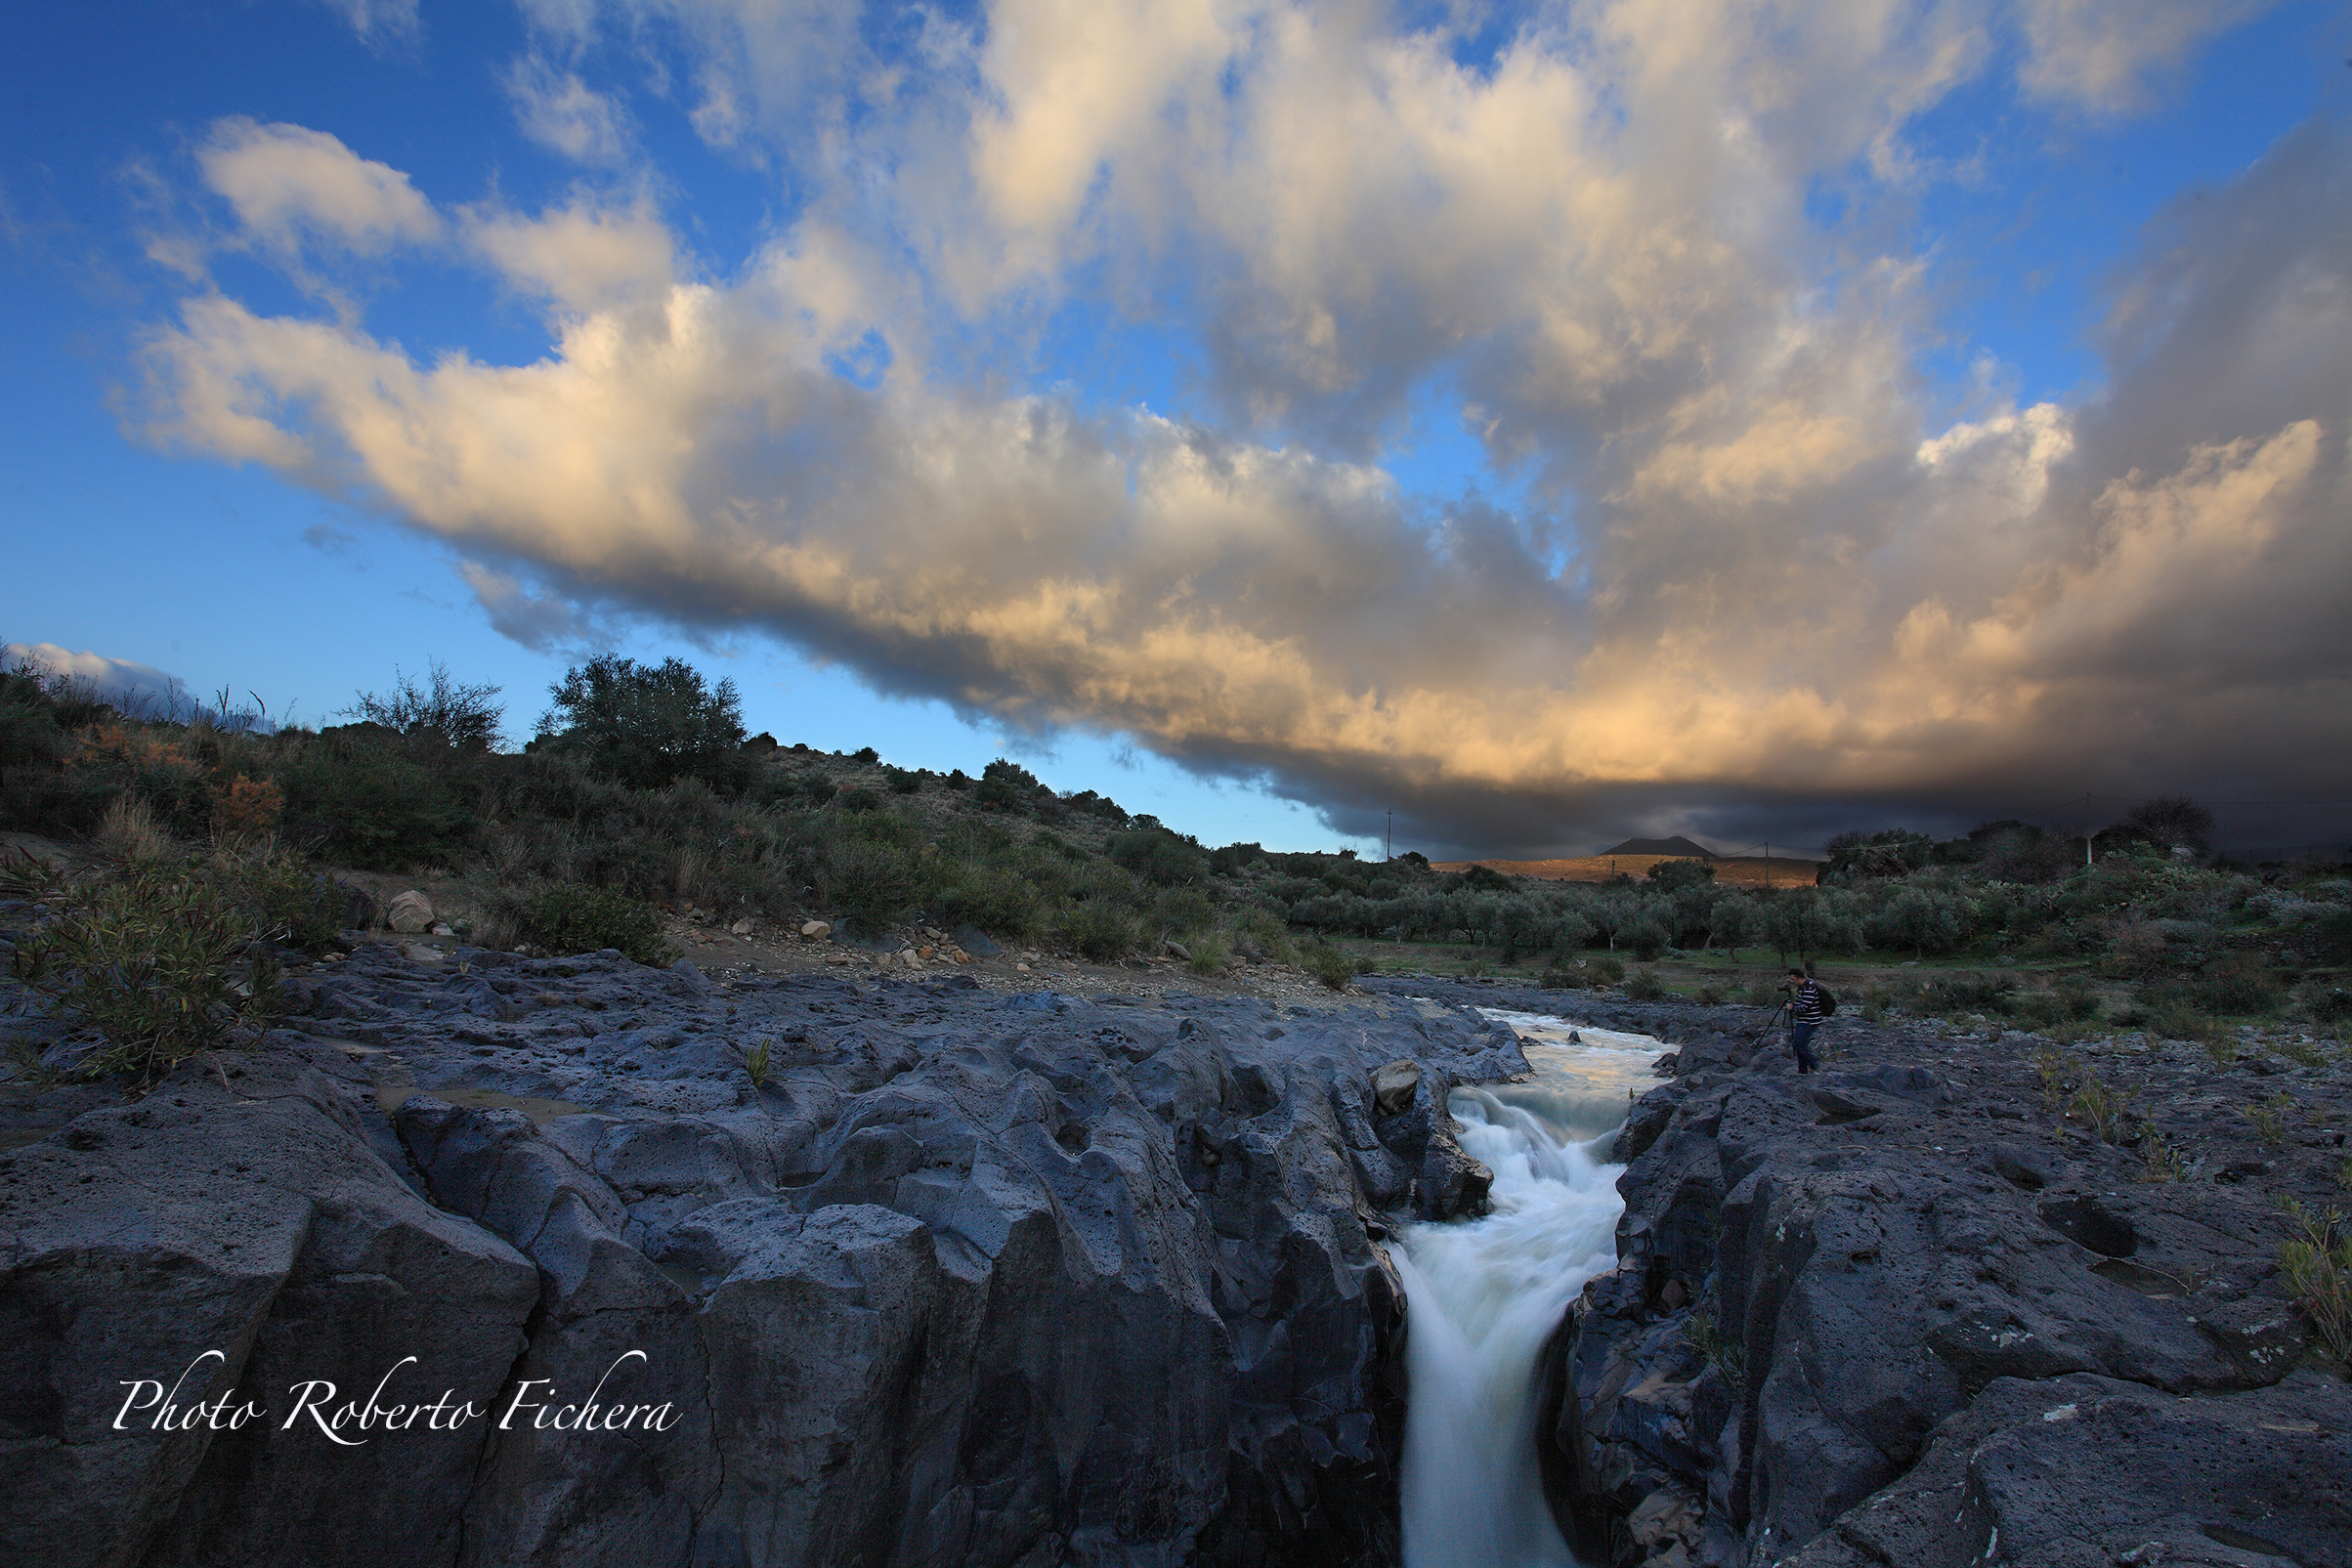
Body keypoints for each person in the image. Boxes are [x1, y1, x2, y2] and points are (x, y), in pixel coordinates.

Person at [1782, 966, 1829, 1074]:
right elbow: (1802, 1004)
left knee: (1799, 1044)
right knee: (1799, 1044)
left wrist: (1792, 1008)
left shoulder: (1809, 989)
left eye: (1793, 979)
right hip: (1805, 1021)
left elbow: (1805, 1007)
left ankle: (1814, 1065)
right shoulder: (1804, 988)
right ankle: (1802, 1070)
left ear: (1799, 978)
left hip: (1809, 1021)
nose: (1792, 982)